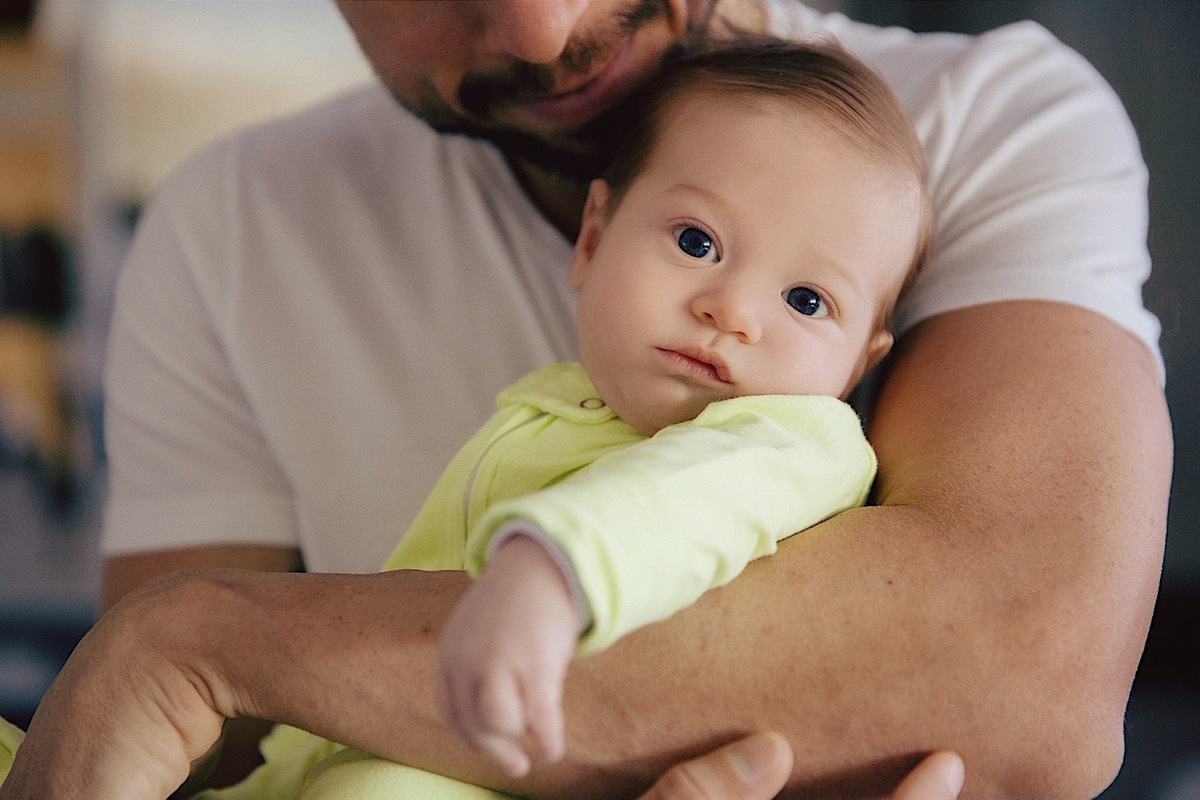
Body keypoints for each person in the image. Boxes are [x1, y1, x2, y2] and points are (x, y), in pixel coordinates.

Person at [0, 1, 1172, 798]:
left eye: (808, 302)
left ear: (869, 350)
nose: (541, 26)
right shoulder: (227, 225)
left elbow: (1026, 668)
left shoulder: (981, 121)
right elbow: (137, 746)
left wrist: (210, 639)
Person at [175, 39, 928, 799]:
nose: (730, 309)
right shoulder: (557, 400)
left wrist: (551, 576)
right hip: (351, 738)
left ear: (858, 365)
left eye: (806, 301)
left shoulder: (798, 442)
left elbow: (687, 504)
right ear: (594, 241)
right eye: (697, 242)